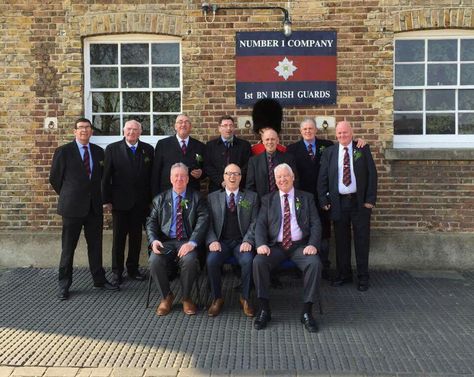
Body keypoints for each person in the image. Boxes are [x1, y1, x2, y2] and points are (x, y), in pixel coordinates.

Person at [49, 117, 119, 300]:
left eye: (87, 127)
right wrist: (69, 195)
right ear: (74, 131)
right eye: (80, 127)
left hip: (94, 207)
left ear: (91, 131)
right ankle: (64, 285)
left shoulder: (98, 152)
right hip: (72, 208)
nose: (84, 130)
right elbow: (55, 179)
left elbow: (103, 179)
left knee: (95, 246)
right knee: (68, 248)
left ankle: (99, 280)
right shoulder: (63, 151)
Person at [253, 163, 322, 332]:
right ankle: (264, 309)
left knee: (314, 263)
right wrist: (261, 244)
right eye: (279, 177)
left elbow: (316, 224)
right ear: (275, 181)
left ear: (293, 177)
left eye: (286, 176)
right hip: (274, 246)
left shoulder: (306, 198)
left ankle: (307, 312)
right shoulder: (268, 200)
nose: (282, 179)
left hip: (300, 247)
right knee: (258, 262)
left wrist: (312, 244)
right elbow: (260, 225)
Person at [317, 121, 377, 292]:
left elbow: (372, 174)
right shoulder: (330, 152)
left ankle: (363, 277)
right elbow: (323, 178)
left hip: (359, 203)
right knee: (342, 241)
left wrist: (370, 199)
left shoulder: (362, 149)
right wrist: (324, 201)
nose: (342, 136)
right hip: (338, 203)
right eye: (339, 133)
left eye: (345, 132)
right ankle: (344, 274)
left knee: (362, 240)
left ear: (352, 133)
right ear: (336, 135)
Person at [146, 163, 209, 316]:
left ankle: (186, 297)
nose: (179, 179)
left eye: (182, 176)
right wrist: (153, 240)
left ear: (188, 179)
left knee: (189, 260)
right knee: (155, 260)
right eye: (176, 176)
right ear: (170, 178)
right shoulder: (160, 199)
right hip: (165, 241)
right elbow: (151, 222)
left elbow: (203, 220)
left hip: (187, 241)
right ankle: (166, 296)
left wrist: (192, 242)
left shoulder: (197, 198)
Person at [102, 120, 154, 285]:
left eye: (135, 129)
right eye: (129, 129)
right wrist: (106, 200)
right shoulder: (112, 149)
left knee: (136, 237)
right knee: (118, 238)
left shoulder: (148, 149)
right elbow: (105, 177)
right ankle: (117, 271)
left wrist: (151, 199)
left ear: (140, 132)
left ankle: (133, 268)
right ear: (124, 131)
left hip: (141, 203)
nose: (132, 132)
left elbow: (151, 177)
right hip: (120, 202)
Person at [206, 163, 259, 317]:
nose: (232, 177)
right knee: (211, 261)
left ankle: (245, 298)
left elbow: (255, 222)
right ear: (224, 176)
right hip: (220, 242)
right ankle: (217, 298)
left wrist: (248, 241)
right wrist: (212, 241)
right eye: (229, 173)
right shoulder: (212, 198)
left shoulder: (251, 197)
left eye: (236, 174)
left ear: (241, 177)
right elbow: (206, 224)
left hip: (242, 243)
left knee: (249, 261)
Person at [151, 114, 205, 196]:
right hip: (167, 193)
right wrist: (155, 196)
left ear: (190, 127)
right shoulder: (162, 144)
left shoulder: (200, 146)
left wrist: (202, 173)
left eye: (186, 122)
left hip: (192, 193)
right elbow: (156, 172)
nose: (183, 124)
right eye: (180, 122)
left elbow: (206, 167)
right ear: (175, 126)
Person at [204, 115, 252, 193]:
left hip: (239, 187)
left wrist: (235, 179)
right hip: (217, 188)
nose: (228, 128)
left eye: (231, 125)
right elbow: (208, 166)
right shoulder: (210, 146)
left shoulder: (244, 145)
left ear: (234, 128)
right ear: (219, 128)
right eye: (225, 125)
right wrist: (221, 181)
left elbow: (248, 165)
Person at [246, 128, 297, 199]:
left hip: (284, 201)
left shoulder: (288, 159)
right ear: (263, 141)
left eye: (273, 139)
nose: (270, 142)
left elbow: (295, 181)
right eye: (267, 139)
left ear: (277, 140)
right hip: (262, 204)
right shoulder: (254, 161)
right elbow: (250, 186)